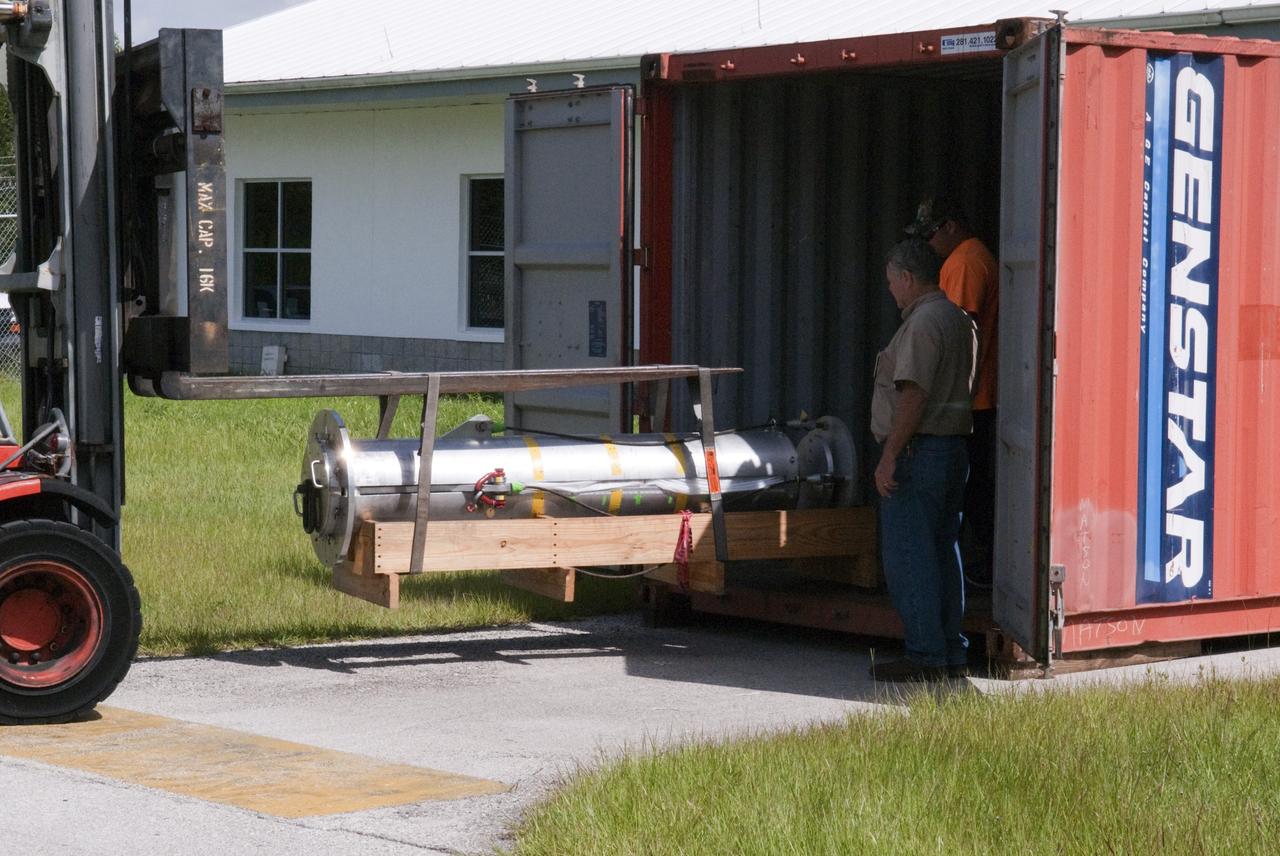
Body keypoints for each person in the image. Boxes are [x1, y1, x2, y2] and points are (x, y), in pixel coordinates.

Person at [870, 239, 977, 682]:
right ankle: (950, 651)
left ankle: (926, 656)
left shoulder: (923, 323)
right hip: (951, 452)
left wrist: (889, 456)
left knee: (910, 555)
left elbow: (913, 393)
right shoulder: (958, 319)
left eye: (892, 283)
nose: (891, 291)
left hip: (920, 453)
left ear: (908, 278)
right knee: (941, 552)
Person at [907, 197, 999, 590]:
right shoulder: (970, 258)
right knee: (975, 486)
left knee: (969, 490)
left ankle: (983, 567)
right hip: (974, 397)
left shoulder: (963, 262)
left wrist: (940, 397)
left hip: (968, 401)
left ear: (950, 227)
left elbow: (955, 334)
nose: (928, 244)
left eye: (931, 234)